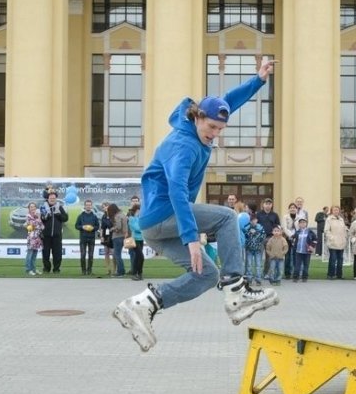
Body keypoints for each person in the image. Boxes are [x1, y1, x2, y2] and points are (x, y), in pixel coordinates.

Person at [112, 59, 278, 352]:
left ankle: (143, 305)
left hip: (155, 228)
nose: (214, 134)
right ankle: (237, 291)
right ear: (198, 118)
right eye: (212, 127)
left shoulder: (200, 122)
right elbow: (176, 190)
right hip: (165, 215)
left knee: (206, 274)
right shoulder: (184, 144)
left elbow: (230, 100)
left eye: (220, 129)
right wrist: (191, 239)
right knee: (227, 217)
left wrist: (258, 80)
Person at [40, 192, 68, 274]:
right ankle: (46, 268)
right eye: (50, 198)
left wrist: (59, 215)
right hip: (46, 235)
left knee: (57, 254)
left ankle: (56, 269)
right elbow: (41, 219)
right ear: (48, 199)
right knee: (45, 253)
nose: (52, 199)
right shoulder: (43, 207)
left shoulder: (59, 207)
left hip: (57, 235)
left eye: (54, 198)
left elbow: (65, 218)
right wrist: (46, 216)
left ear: (56, 199)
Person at [75, 200, 100, 276]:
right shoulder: (80, 216)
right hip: (83, 238)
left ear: (91, 206)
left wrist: (93, 228)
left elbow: (97, 226)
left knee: (91, 255)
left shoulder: (94, 216)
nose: (88, 206)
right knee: (83, 255)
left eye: (89, 205)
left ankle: (89, 270)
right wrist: (82, 227)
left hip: (92, 238)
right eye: (87, 205)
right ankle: (83, 271)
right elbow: (76, 226)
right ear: (84, 206)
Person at [324, 205, 347, 279]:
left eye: (337, 210)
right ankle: (330, 274)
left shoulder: (341, 219)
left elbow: (344, 229)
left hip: (341, 242)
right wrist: (331, 238)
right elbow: (326, 230)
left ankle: (339, 274)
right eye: (334, 210)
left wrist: (345, 237)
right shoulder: (329, 219)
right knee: (333, 259)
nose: (336, 211)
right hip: (333, 243)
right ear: (332, 211)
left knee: (340, 259)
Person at [243, 213, 266, 285]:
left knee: (258, 265)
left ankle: (258, 280)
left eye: (254, 220)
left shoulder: (260, 227)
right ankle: (249, 279)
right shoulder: (246, 228)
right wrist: (249, 235)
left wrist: (256, 235)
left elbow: (263, 236)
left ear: (257, 220)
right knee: (249, 264)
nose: (253, 221)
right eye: (251, 220)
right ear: (249, 221)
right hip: (249, 249)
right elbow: (244, 237)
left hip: (258, 249)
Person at [292, 217, 316, 282]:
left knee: (306, 266)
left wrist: (312, 246)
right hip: (298, 252)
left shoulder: (310, 231)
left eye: (304, 222)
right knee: (297, 266)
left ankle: (304, 277)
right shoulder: (297, 232)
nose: (302, 224)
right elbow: (293, 239)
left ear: (306, 224)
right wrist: (293, 243)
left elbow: (315, 240)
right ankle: (295, 277)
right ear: (299, 224)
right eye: (301, 223)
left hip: (307, 252)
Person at [107, 203, 129, 277]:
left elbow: (118, 227)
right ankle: (121, 271)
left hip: (117, 237)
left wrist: (111, 229)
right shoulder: (123, 214)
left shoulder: (117, 216)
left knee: (117, 255)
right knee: (118, 254)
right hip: (123, 236)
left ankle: (120, 271)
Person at [23, 202, 44, 276]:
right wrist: (38, 220)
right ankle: (28, 269)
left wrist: (38, 219)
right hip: (31, 238)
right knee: (30, 254)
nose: (33, 208)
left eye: (34, 207)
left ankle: (34, 269)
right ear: (29, 209)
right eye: (31, 207)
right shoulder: (28, 216)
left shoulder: (36, 216)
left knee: (34, 255)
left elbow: (42, 227)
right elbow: (31, 226)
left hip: (37, 238)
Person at [127, 204, 145, 281]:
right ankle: (135, 273)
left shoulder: (140, 218)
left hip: (141, 239)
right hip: (134, 239)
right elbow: (136, 228)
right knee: (140, 256)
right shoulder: (131, 219)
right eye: (139, 210)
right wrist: (142, 228)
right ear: (136, 210)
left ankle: (139, 273)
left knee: (138, 257)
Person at [99, 202, 113, 276]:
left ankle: (115, 269)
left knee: (113, 253)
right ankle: (108, 269)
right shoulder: (103, 216)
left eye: (107, 206)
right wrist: (101, 236)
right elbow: (102, 228)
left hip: (113, 236)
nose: (105, 208)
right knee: (106, 253)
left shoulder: (113, 215)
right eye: (104, 207)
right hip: (105, 236)